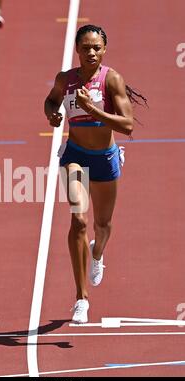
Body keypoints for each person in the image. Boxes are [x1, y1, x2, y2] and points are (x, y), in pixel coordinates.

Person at [44, 25, 145, 323]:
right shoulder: (66, 79)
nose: (91, 52)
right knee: (78, 218)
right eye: (85, 47)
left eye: (96, 48)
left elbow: (127, 125)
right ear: (77, 49)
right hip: (75, 155)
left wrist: (93, 109)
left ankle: (97, 254)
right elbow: (51, 99)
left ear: (104, 50)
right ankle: (81, 298)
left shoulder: (111, 80)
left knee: (102, 226)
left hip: (105, 158)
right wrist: (52, 113)